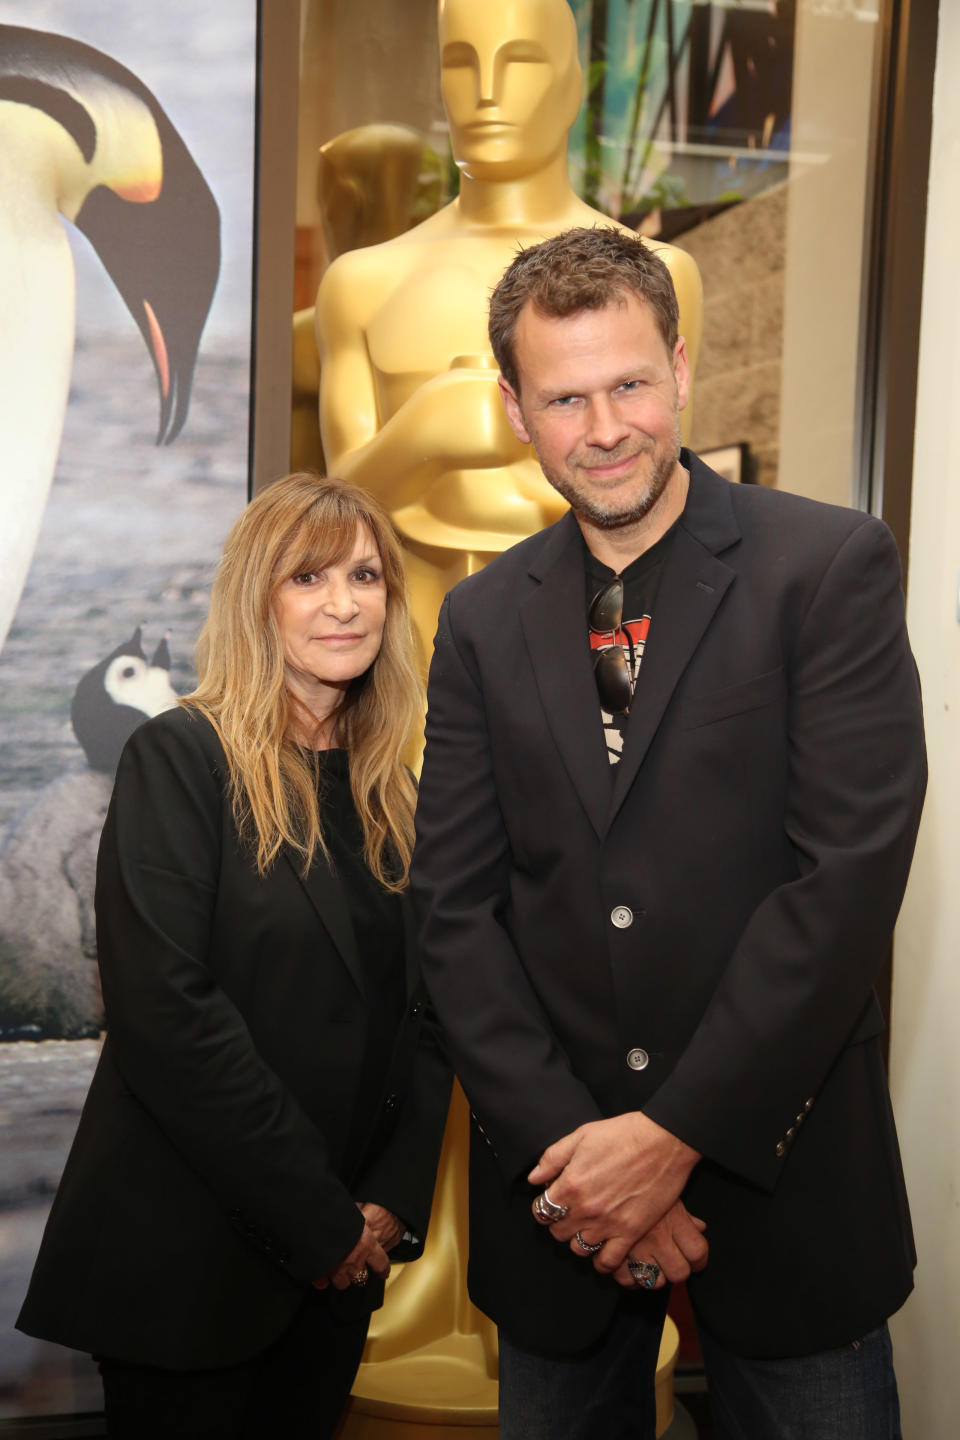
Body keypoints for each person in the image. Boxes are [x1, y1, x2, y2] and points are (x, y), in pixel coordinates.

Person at [410, 227, 926, 1440]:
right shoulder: (483, 620)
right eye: (565, 397)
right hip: (561, 1203)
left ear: (681, 370)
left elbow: (843, 884)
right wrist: (588, 1169)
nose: (605, 428)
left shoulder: (826, 566)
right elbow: (455, 911)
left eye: (630, 383)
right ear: (514, 409)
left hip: (784, 1186)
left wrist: (676, 1136)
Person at [18, 474, 451, 1439]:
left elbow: (431, 1017)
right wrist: (321, 1220)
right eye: (308, 577)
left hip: (342, 1264)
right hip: (187, 1262)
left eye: (366, 575)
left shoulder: (395, 793)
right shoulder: (181, 758)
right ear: (258, 601)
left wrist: (386, 1202)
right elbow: (168, 1014)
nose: (344, 602)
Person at [316, 0, 703, 671]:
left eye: (519, 63)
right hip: (408, 656)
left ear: (571, 84)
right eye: (461, 65)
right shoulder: (364, 282)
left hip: (592, 645)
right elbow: (336, 509)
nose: (487, 93)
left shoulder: (660, 276)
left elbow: (670, 492)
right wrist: (423, 433)